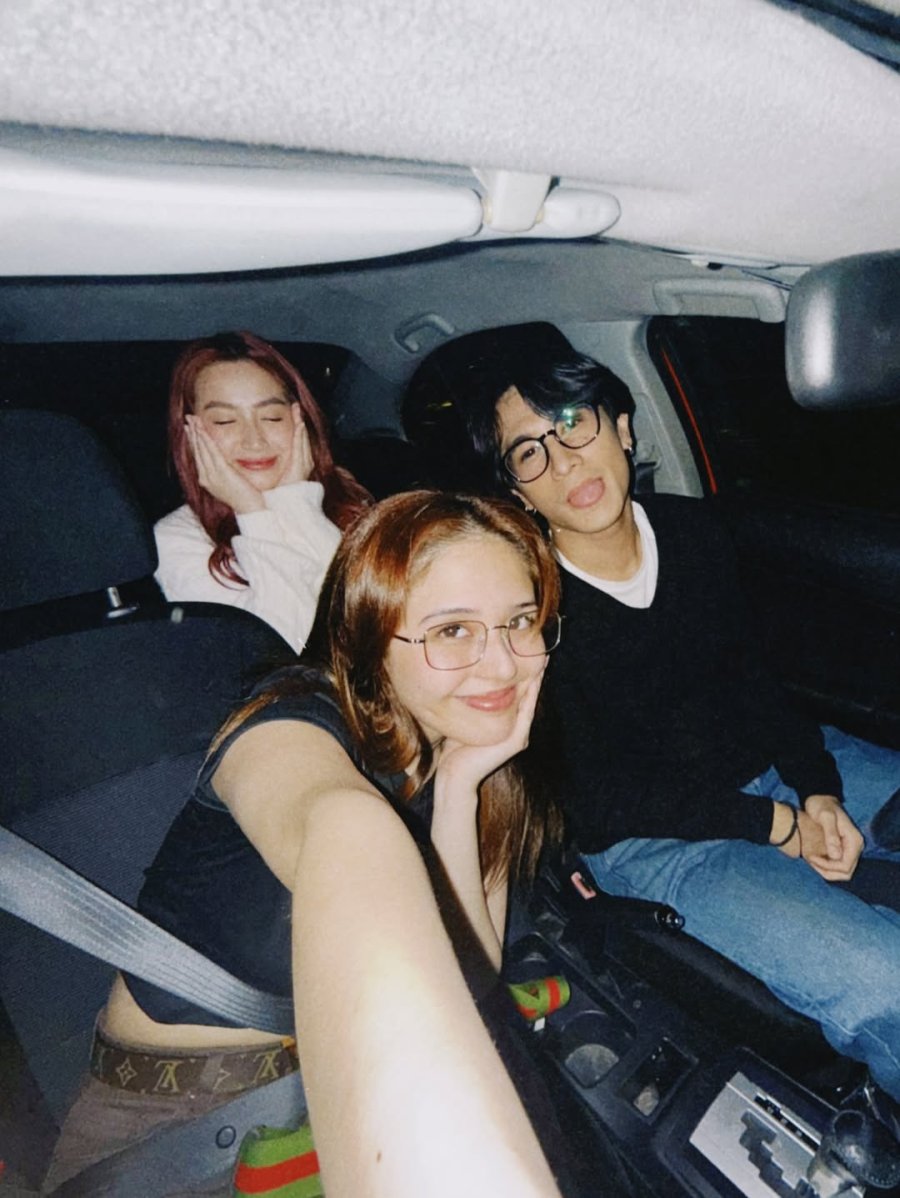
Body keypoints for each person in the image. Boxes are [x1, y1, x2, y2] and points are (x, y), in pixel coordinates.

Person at [415, 322, 900, 1109]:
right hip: (655, 840)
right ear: (518, 493)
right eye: (529, 451)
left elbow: (756, 683)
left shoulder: (692, 531)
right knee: (885, 979)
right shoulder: (528, 612)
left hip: (769, 771)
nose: (564, 461)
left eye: (572, 422)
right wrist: (778, 825)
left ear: (623, 427)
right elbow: (597, 802)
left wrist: (815, 789)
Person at [44, 490, 566, 1198]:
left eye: (520, 622)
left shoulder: (472, 754)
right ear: (370, 635)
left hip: (313, 1107)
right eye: (452, 631)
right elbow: (342, 831)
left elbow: (469, 976)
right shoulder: (292, 721)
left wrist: (463, 787)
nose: (502, 666)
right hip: (172, 1132)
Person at [154, 331, 371, 652]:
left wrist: (297, 502)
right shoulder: (178, 537)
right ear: (190, 432)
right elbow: (284, 651)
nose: (254, 440)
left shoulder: (344, 493)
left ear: (298, 419)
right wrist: (252, 512)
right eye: (225, 421)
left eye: (271, 417)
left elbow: (368, 619)